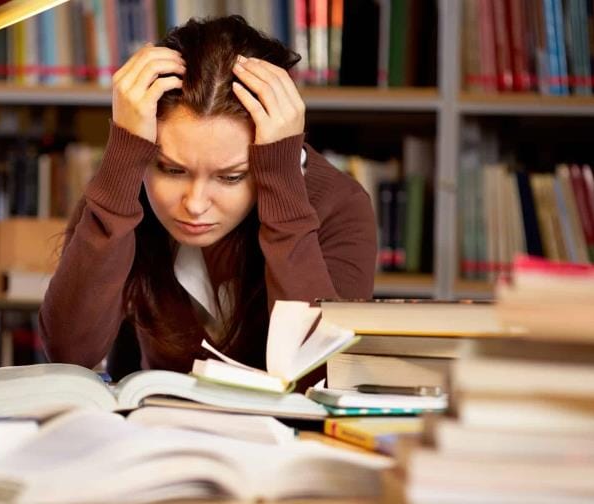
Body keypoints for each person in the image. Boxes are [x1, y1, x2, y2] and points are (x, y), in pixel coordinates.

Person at [40, 16, 376, 388]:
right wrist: (122, 153)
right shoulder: (124, 184)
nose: (195, 204)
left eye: (231, 177)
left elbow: (320, 377)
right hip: (160, 434)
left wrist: (281, 185)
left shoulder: (340, 205)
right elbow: (69, 352)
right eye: (170, 169)